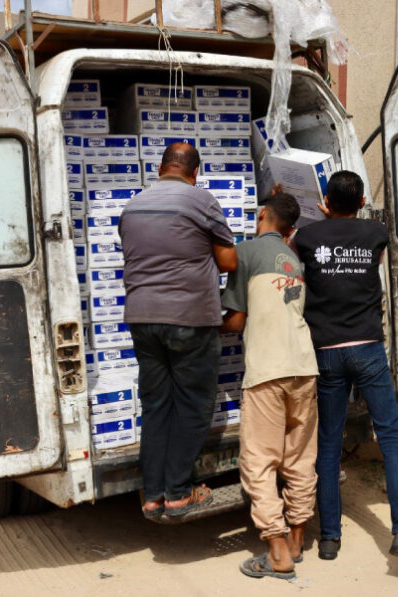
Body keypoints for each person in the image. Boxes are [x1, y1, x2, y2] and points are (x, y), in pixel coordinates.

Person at [292, 171, 398, 564]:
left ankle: (329, 540)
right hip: (368, 350)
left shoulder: (307, 238)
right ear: (360, 202)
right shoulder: (375, 234)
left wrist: (326, 221)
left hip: (327, 353)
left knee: (329, 444)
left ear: (326, 201)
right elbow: (379, 248)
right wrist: (348, 217)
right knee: (390, 437)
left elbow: (297, 254)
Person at [119, 142, 238, 522]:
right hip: (189, 319)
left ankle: (152, 495)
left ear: (159, 168)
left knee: (156, 407)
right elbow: (228, 260)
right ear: (195, 173)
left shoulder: (133, 205)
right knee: (191, 405)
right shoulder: (201, 201)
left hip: (142, 318)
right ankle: (179, 493)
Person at [221, 192, 320, 580]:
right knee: (299, 459)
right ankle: (296, 541)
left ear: (262, 214)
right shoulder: (295, 260)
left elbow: (236, 322)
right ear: (291, 229)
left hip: (267, 370)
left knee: (260, 461)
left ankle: (276, 550)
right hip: (303, 366)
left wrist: (205, 324)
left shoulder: (244, 253)